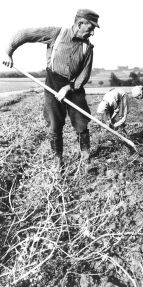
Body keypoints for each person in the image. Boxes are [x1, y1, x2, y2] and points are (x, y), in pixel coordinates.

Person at [2, 9, 100, 168]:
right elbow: (25, 34)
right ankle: (58, 161)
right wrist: (8, 52)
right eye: (90, 28)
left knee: (81, 122)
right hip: (53, 82)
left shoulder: (87, 47)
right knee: (54, 124)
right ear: (79, 23)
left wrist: (69, 87)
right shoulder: (57, 34)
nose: (92, 32)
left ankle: (86, 156)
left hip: (74, 87)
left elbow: (84, 74)